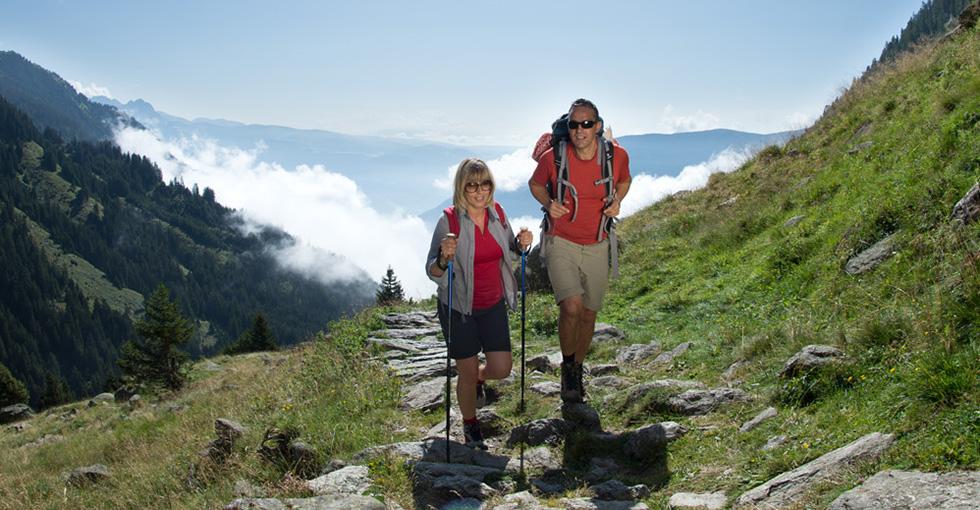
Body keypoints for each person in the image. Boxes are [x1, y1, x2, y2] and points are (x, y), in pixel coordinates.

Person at [528, 98, 631, 403]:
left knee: (588, 314)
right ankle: (568, 368)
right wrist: (549, 204)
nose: (580, 130)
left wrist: (618, 201)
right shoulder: (554, 157)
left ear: (598, 127)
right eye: (574, 124)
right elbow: (535, 185)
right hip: (561, 240)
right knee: (571, 306)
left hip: (598, 242)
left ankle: (576, 366)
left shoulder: (616, 156)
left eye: (587, 124)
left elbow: (625, 180)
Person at [426, 157, 533, 449]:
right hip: (459, 307)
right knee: (466, 369)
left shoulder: (497, 212)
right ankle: (470, 423)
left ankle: (477, 380)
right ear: (462, 187)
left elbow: (510, 247)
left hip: (492, 302)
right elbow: (432, 271)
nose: (479, 190)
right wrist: (444, 258)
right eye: (471, 184)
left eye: (485, 183)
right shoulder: (448, 221)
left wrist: (523, 243)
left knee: (501, 368)